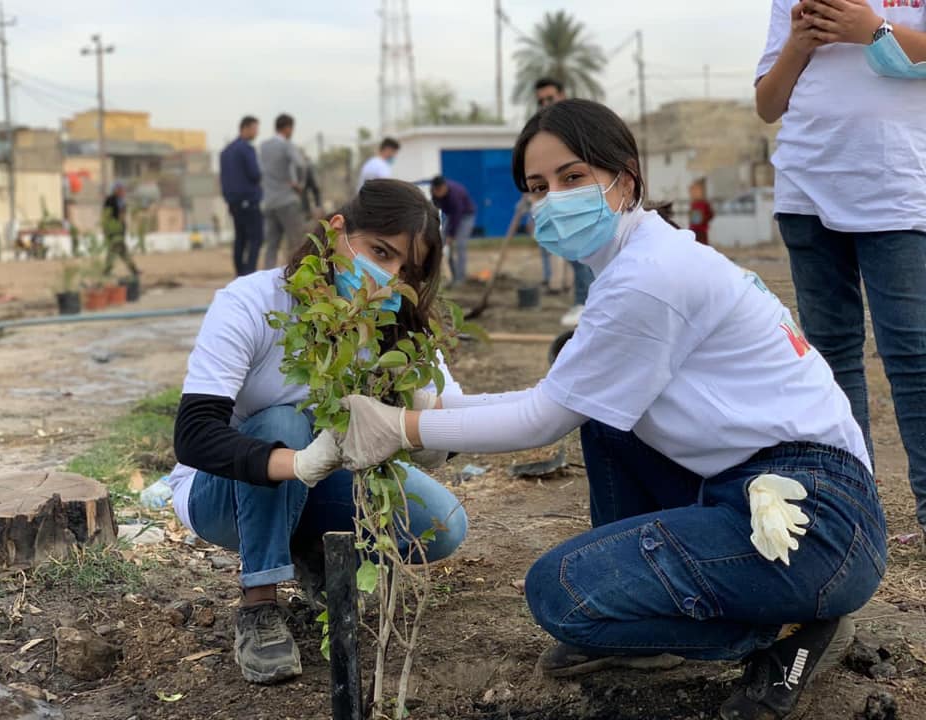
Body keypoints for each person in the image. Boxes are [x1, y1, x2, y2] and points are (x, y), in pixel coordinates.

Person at [337, 99, 886, 720]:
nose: (554, 199)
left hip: (814, 521)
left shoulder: (649, 278)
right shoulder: (641, 264)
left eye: (573, 178)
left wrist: (402, 428)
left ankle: (788, 631)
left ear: (624, 178)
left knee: (560, 594)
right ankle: (652, 621)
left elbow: (542, 418)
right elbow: (564, 399)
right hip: (772, 493)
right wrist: (433, 409)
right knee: (604, 416)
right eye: (538, 187)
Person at [165, 178, 468, 685]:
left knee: (444, 523)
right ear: (337, 232)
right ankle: (259, 603)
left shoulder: (395, 327)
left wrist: (426, 423)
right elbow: (194, 435)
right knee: (285, 421)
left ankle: (310, 555)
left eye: (405, 268)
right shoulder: (254, 302)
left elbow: (453, 416)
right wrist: (299, 463)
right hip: (220, 497)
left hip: (312, 490)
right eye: (379, 251)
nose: (386, 277)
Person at [756, 0, 926, 540]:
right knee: (830, 362)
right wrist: (798, 45)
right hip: (806, 188)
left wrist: (872, 29)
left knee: (915, 356)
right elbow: (767, 105)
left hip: (898, 190)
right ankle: (855, 518)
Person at [534, 77, 594, 326]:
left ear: (562, 94)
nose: (546, 104)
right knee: (574, 253)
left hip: (583, 198)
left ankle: (586, 303)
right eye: (541, 101)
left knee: (585, 253)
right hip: (559, 200)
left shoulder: (578, 124)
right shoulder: (544, 130)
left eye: (550, 98)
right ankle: (586, 302)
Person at [259, 114, 306, 270]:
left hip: (269, 201)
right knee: (296, 242)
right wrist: (299, 184)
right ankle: (292, 275)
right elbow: (300, 164)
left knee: (272, 244)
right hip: (287, 200)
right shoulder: (286, 145)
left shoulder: (264, 146)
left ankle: (267, 277)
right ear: (287, 128)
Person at [220, 116, 263, 276]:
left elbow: (223, 178)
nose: (256, 132)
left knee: (240, 239)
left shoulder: (226, 152)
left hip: (234, 203)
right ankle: (249, 273)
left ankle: (239, 272)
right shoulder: (246, 149)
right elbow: (255, 173)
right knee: (256, 238)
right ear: (246, 128)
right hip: (249, 201)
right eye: (255, 128)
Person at [430, 175, 476, 286]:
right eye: (436, 191)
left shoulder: (455, 194)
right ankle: (448, 276)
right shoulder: (434, 192)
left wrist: (451, 235)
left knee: (460, 245)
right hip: (451, 216)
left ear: (444, 187)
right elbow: (435, 210)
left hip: (465, 216)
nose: (438, 193)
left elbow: (457, 216)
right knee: (440, 242)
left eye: (440, 191)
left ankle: (460, 278)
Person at [101, 182, 140, 277]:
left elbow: (122, 215)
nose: (123, 192)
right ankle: (132, 270)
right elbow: (106, 215)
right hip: (113, 230)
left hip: (120, 230)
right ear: (116, 190)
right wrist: (107, 229)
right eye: (121, 190)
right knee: (117, 250)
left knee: (120, 251)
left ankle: (133, 270)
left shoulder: (121, 201)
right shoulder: (110, 201)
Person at [688, 179, 715, 246]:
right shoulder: (694, 204)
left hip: (701, 230)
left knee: (702, 246)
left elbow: (710, 214)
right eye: (692, 191)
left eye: (696, 190)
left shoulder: (703, 204)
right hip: (694, 230)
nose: (693, 193)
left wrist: (704, 219)